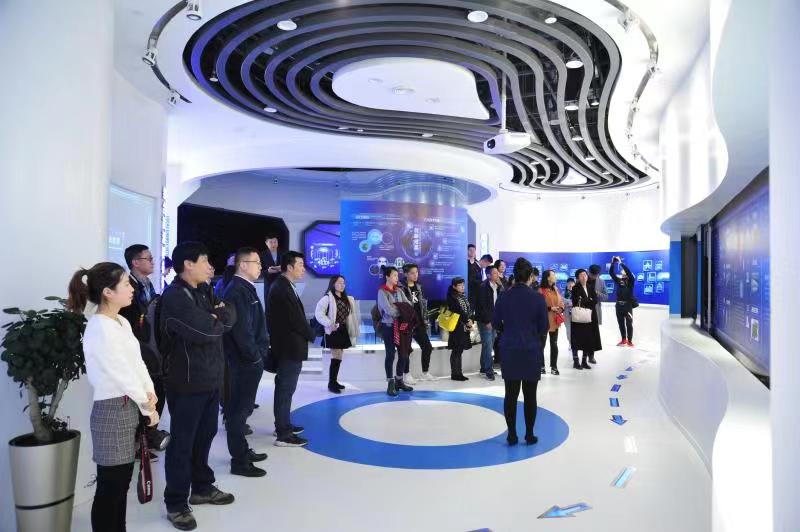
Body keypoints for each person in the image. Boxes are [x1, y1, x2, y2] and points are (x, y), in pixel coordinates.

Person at [68, 263, 159, 532]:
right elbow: (121, 373)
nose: (132, 289)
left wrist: (150, 391)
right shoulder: (99, 327)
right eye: (126, 285)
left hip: (129, 405)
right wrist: (147, 404)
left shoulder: (121, 322)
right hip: (112, 410)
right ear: (108, 292)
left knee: (121, 484)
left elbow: (136, 363)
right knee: (111, 486)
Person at [160, 241, 237, 531]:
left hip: (210, 377)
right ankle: (176, 502)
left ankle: (202, 487)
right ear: (188, 264)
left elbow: (229, 315)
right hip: (187, 381)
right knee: (182, 443)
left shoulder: (205, 290)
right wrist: (215, 319)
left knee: (205, 435)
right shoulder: (175, 296)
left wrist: (217, 316)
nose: (210, 267)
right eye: (205, 261)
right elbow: (204, 330)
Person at [220, 247, 269, 478]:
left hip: (248, 360)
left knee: (243, 409)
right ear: (242, 265)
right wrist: (255, 356)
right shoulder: (237, 291)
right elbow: (242, 331)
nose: (260, 266)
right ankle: (239, 461)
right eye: (256, 262)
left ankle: (242, 451)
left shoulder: (245, 288)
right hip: (243, 362)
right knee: (238, 411)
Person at [492, 257, 549, 446]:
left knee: (511, 394)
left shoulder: (504, 296)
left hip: (509, 349)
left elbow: (495, 323)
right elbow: (544, 327)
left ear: (514, 275)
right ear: (530, 276)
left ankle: (512, 434)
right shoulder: (538, 298)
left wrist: (508, 331)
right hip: (531, 349)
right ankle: (529, 434)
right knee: (530, 395)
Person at [119, 244, 170, 456]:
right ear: (135, 262)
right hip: (138, 350)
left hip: (153, 350)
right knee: (142, 397)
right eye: (148, 258)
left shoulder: (148, 285)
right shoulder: (127, 287)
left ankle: (149, 436)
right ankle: (138, 443)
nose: (153, 262)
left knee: (157, 393)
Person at [268, 251, 315, 446]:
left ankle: (283, 424)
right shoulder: (282, 288)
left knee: (286, 389)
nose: (303, 269)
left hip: (289, 346)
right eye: (300, 265)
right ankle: (284, 434)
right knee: (285, 389)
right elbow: (296, 320)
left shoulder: (285, 286)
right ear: (289, 267)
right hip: (288, 347)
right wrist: (312, 334)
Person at [314, 275, 361, 394]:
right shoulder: (327, 298)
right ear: (333, 283)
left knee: (339, 356)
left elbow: (350, 315)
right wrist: (329, 323)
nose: (342, 285)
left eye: (343, 283)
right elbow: (319, 313)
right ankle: (331, 383)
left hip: (343, 330)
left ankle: (334, 381)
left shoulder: (347, 298)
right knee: (336, 355)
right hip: (332, 330)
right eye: (339, 282)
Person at [377, 266, 414, 396]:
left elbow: (409, 305)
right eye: (394, 275)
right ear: (387, 277)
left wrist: (400, 308)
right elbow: (388, 310)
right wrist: (402, 309)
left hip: (402, 326)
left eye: (397, 275)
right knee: (390, 355)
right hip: (388, 327)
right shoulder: (382, 292)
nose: (397, 278)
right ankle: (390, 382)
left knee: (404, 354)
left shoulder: (399, 290)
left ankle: (399, 380)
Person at [400, 263, 435, 381]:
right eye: (412, 273)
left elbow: (422, 304)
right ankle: (406, 374)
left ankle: (425, 372)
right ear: (406, 274)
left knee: (427, 347)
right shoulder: (400, 287)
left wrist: (425, 318)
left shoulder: (419, 286)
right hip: (406, 323)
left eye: (417, 272)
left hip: (419, 322)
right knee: (406, 350)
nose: (415, 275)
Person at [570, 269, 603, 370]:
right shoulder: (575, 288)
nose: (584, 277)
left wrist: (587, 300)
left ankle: (584, 361)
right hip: (578, 317)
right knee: (576, 340)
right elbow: (576, 301)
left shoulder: (590, 287)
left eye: (585, 274)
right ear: (578, 278)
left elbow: (595, 300)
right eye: (581, 275)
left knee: (587, 339)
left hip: (589, 317)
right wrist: (589, 300)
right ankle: (576, 362)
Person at [476, 264, 502, 380]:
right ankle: (489, 370)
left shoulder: (498, 287)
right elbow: (482, 306)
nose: (497, 275)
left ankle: (484, 368)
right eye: (495, 273)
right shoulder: (483, 287)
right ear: (488, 275)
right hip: (485, 321)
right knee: (488, 346)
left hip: (494, 320)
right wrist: (487, 321)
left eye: (497, 273)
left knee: (488, 345)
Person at [446, 277, 473, 381]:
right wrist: (467, 320)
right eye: (460, 285)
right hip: (457, 327)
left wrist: (470, 319)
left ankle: (459, 373)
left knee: (459, 350)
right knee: (456, 350)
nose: (462, 287)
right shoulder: (452, 297)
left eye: (463, 285)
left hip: (463, 327)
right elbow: (458, 311)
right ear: (454, 286)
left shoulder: (462, 296)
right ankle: (455, 374)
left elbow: (467, 309)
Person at [539, 270, 565, 376]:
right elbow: (538, 306)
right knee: (541, 345)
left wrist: (561, 308)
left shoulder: (555, 288)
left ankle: (554, 366)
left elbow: (561, 301)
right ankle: (541, 366)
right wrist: (550, 308)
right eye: (553, 275)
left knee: (554, 344)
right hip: (544, 321)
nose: (555, 276)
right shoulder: (541, 290)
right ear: (548, 278)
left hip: (555, 321)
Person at [609, 256, 636, 347]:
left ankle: (630, 341)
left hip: (628, 306)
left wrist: (620, 263)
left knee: (629, 324)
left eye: (625, 273)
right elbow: (611, 273)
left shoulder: (631, 281)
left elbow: (629, 273)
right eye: (622, 273)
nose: (623, 273)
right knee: (621, 323)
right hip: (619, 306)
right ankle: (623, 340)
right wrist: (613, 263)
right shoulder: (619, 281)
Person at [261, 234, 282, 309]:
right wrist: (268, 271)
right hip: (269, 285)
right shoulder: (262, 255)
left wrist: (282, 268)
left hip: (281, 284)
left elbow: (288, 267)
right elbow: (259, 272)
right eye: (271, 242)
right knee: (269, 307)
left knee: (281, 307)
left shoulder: (283, 253)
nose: (273, 244)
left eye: (275, 242)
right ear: (266, 243)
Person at [588, 264, 609, 333]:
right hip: (583, 310)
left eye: (595, 275)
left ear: (598, 274)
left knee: (594, 333)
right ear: (588, 272)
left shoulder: (601, 282)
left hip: (595, 310)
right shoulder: (581, 281)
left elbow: (606, 297)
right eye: (592, 275)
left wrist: (597, 293)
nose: (593, 277)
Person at [467, 244, 482, 311]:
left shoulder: (478, 263)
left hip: (476, 290)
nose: (472, 251)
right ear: (467, 251)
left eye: (473, 250)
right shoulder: (463, 262)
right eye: (470, 250)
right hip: (466, 289)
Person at [563, 277, 576, 349]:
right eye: (569, 283)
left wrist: (572, 303)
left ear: (574, 284)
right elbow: (561, 303)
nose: (570, 284)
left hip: (576, 313)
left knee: (576, 329)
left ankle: (575, 343)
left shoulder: (577, 292)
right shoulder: (563, 293)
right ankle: (570, 343)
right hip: (566, 314)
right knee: (568, 330)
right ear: (566, 284)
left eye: (572, 283)